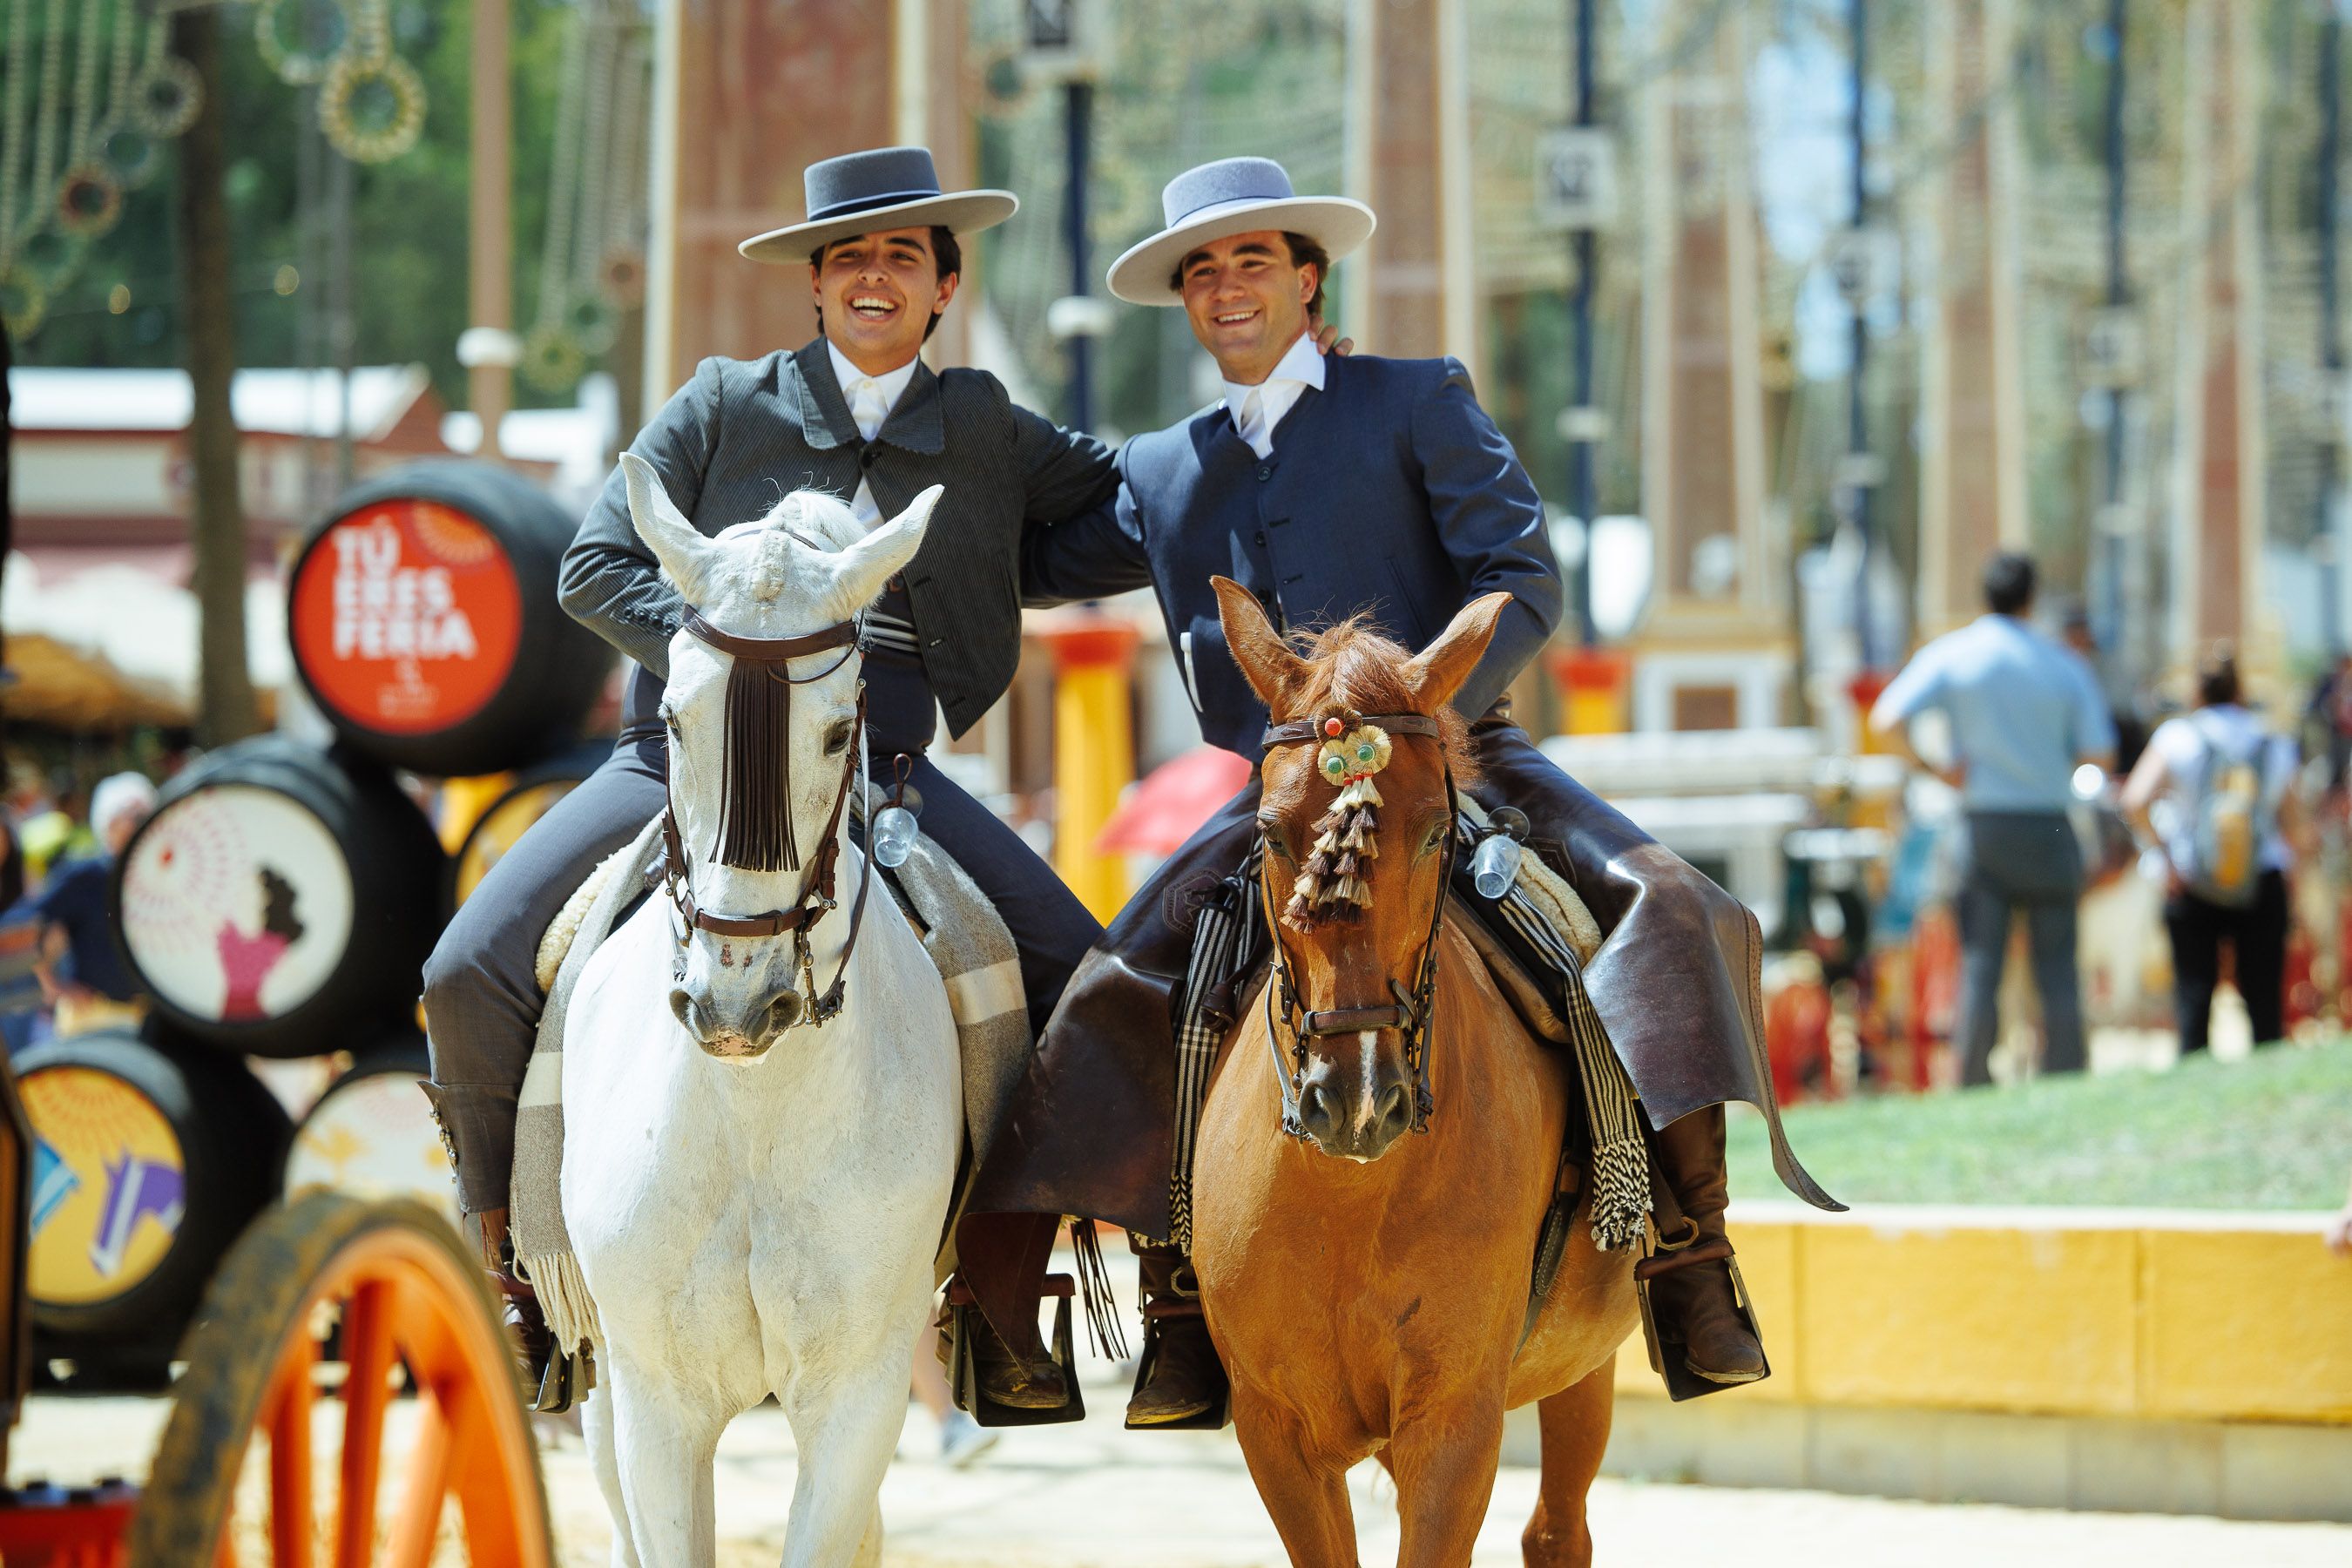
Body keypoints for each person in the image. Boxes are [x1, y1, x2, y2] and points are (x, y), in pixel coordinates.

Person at [958, 157, 1836, 1425]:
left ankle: (1691, 1259)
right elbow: (1030, 560)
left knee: (1675, 904)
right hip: (1283, 794)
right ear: (1186, 304)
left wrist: (1431, 705)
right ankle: (1170, 1305)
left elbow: (1522, 576)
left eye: (1252, 260)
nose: (1226, 288)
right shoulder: (1160, 470)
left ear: (1307, 279)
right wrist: (922, 463)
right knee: (1116, 988)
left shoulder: (1415, 400)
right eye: (1202, 272)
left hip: (1461, 754)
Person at [422, 146, 1126, 1391]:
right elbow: (592, 567)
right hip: (680, 752)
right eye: (848, 255)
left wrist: (1258, 433)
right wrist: (724, 657)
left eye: (901, 255)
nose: (872, 275)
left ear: (943, 288)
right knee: (466, 964)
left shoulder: (985, 429)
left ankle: (1002, 1297)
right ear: (814, 282)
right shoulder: (719, 401)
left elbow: (1124, 500)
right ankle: (523, 1275)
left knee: (1081, 974)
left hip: (884, 761)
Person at [1869, 553, 2115, 1086]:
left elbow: (1885, 717)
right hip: (2050, 824)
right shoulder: (2062, 663)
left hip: (1983, 826)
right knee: (2057, 970)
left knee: (1981, 966)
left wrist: (1938, 771)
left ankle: (1974, 1079)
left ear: (1985, 595)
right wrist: (2051, 757)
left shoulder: (1954, 654)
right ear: (2032, 597)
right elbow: (2101, 754)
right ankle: (2067, 1077)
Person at [2119, 647, 2301, 1055]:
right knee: (2264, 1005)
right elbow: (2294, 823)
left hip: (2190, 878)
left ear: (2196, 690)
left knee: (2194, 998)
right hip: (2262, 875)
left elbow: (2134, 800)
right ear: (2240, 689)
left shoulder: (2177, 737)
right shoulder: (2272, 739)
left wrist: (2164, 857)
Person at [30, 771, 154, 1035]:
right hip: (93, 1018)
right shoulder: (85, 875)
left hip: (148, 1017)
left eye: (145, 815)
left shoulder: (157, 878)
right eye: (131, 816)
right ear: (109, 822)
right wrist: (53, 988)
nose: (138, 824)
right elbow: (28, 927)